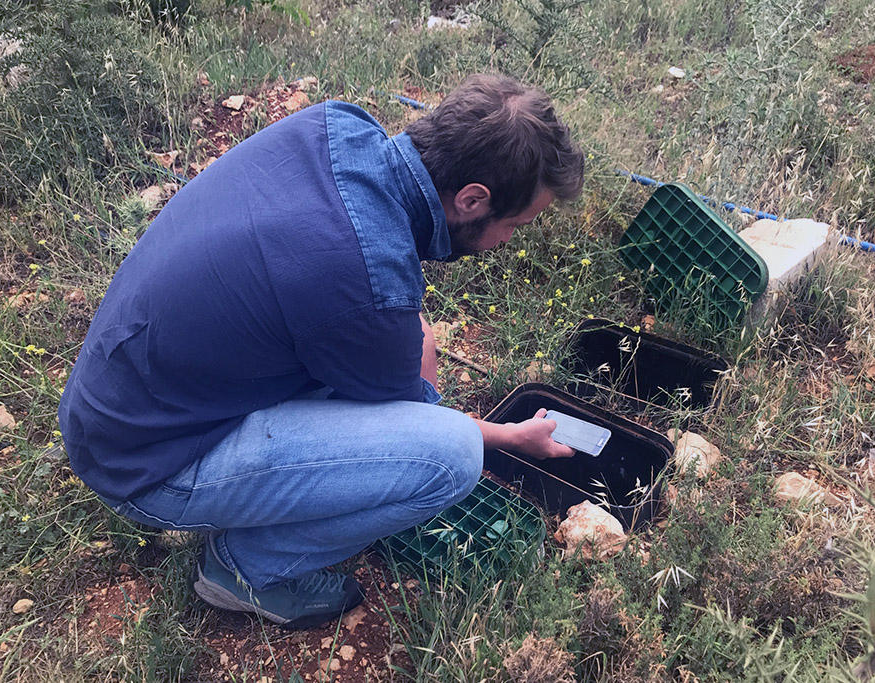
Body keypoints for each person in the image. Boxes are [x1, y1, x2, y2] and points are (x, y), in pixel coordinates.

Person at [58, 74, 584, 628]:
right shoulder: (367, 284)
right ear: (472, 199)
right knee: (448, 458)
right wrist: (505, 437)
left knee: (415, 348)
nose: (509, 242)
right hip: (147, 466)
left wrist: (407, 351)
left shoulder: (337, 125)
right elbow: (410, 423)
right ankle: (244, 570)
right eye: (516, 225)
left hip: (112, 410)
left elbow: (382, 317)